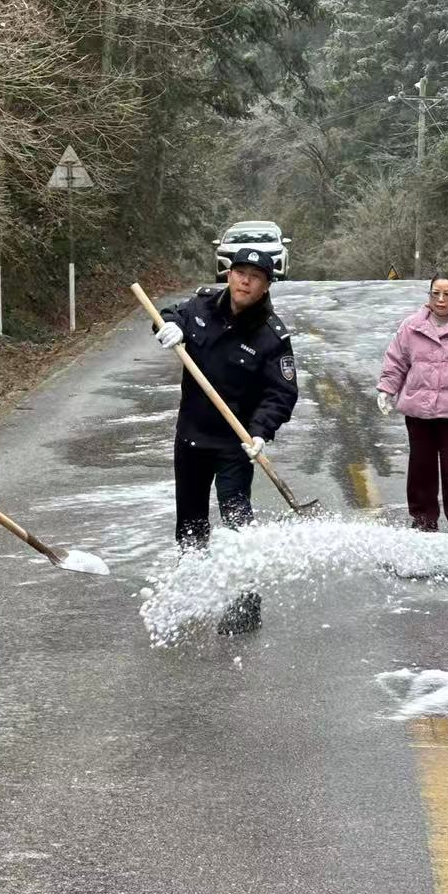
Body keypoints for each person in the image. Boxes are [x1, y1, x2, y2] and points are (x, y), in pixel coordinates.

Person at [151, 246, 299, 634]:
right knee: (190, 524)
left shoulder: (272, 336)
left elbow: (281, 393)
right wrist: (169, 327)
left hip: (235, 444)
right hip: (191, 440)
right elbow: (169, 315)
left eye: (255, 276)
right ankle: (192, 592)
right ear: (229, 275)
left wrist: (261, 432)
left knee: (237, 527)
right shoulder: (201, 307)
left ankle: (245, 603)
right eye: (239, 272)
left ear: (266, 286)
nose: (244, 281)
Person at [375, 272, 448, 542]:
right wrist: (386, 389)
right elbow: (396, 362)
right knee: (421, 467)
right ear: (429, 296)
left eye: (447, 294)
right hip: (419, 411)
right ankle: (423, 520)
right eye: (435, 294)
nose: (440, 300)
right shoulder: (411, 327)